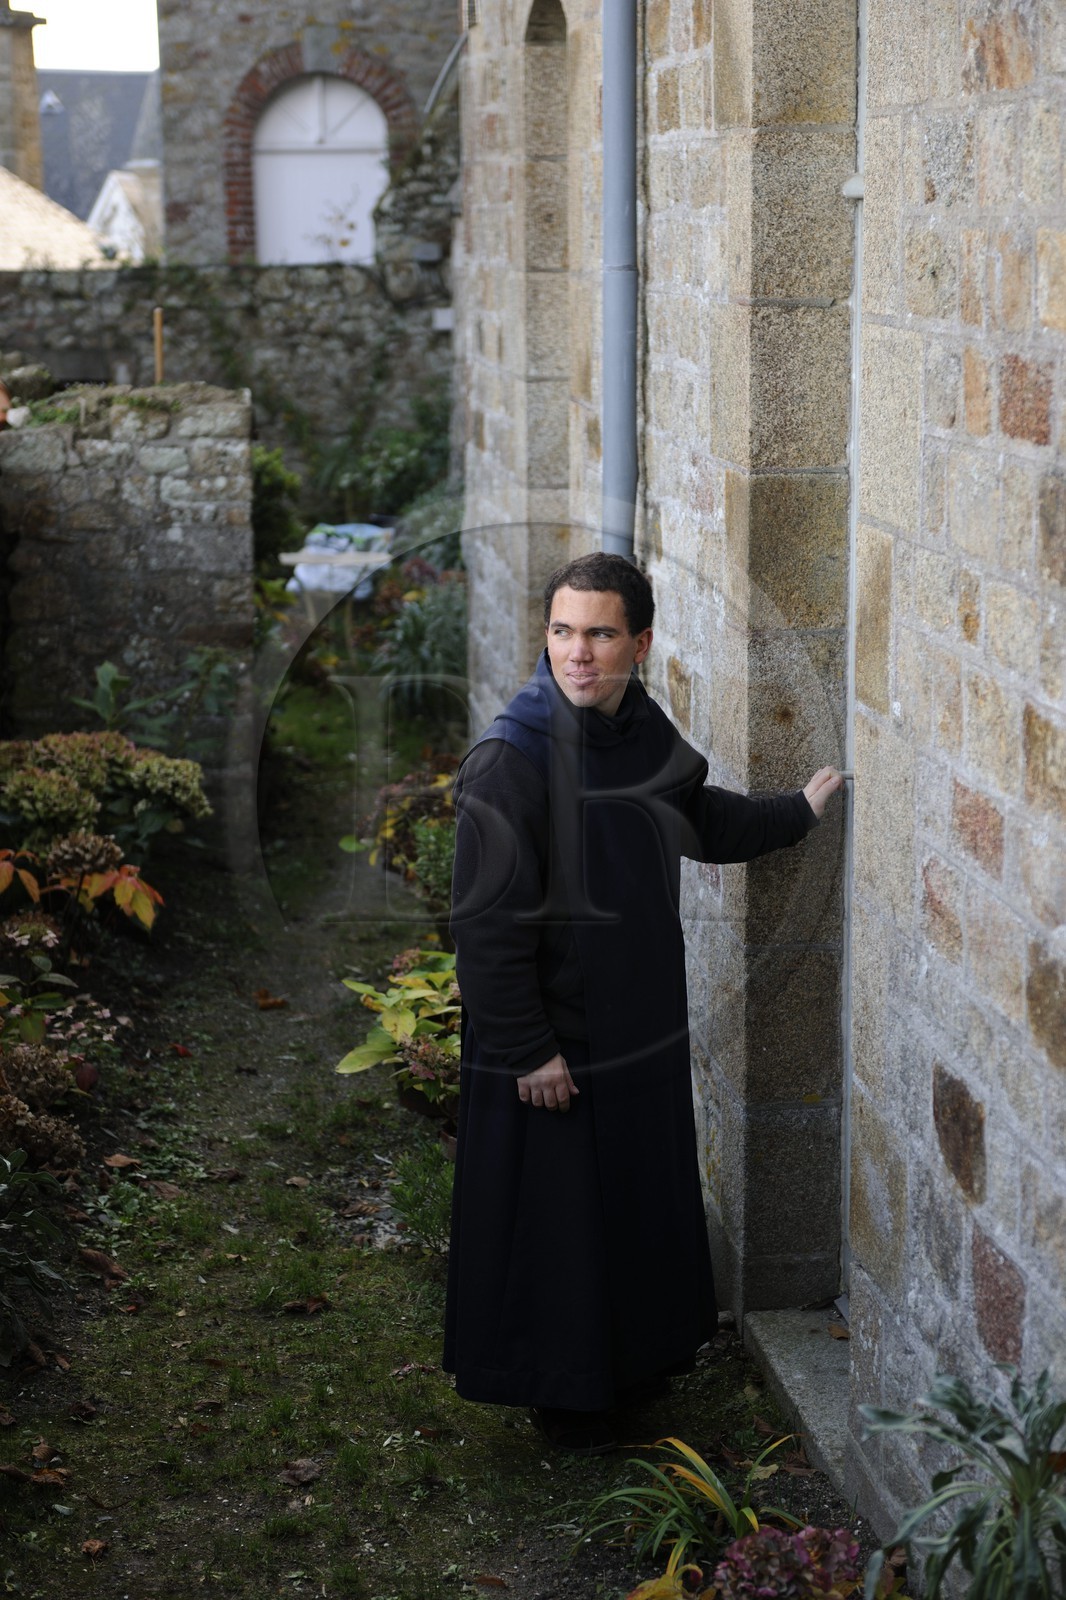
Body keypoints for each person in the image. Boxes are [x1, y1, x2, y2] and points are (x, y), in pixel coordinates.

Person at [443, 552, 842, 1453]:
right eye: (561, 632)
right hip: (556, 1044)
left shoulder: (636, 729)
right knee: (561, 1225)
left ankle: (635, 1365)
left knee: (631, 1201)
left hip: (636, 1028)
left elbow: (698, 818)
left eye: (598, 634)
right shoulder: (513, 759)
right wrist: (526, 1049)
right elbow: (486, 926)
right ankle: (568, 1403)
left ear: (640, 642)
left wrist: (797, 812)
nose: (576, 654)